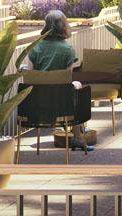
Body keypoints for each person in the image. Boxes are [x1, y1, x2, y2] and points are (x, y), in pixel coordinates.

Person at [27, 9, 92, 151]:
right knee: (77, 86)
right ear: (63, 26)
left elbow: (30, 75)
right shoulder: (68, 50)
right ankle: (78, 134)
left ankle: (79, 132)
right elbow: (66, 79)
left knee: (75, 88)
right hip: (61, 104)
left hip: (38, 105)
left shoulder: (35, 48)